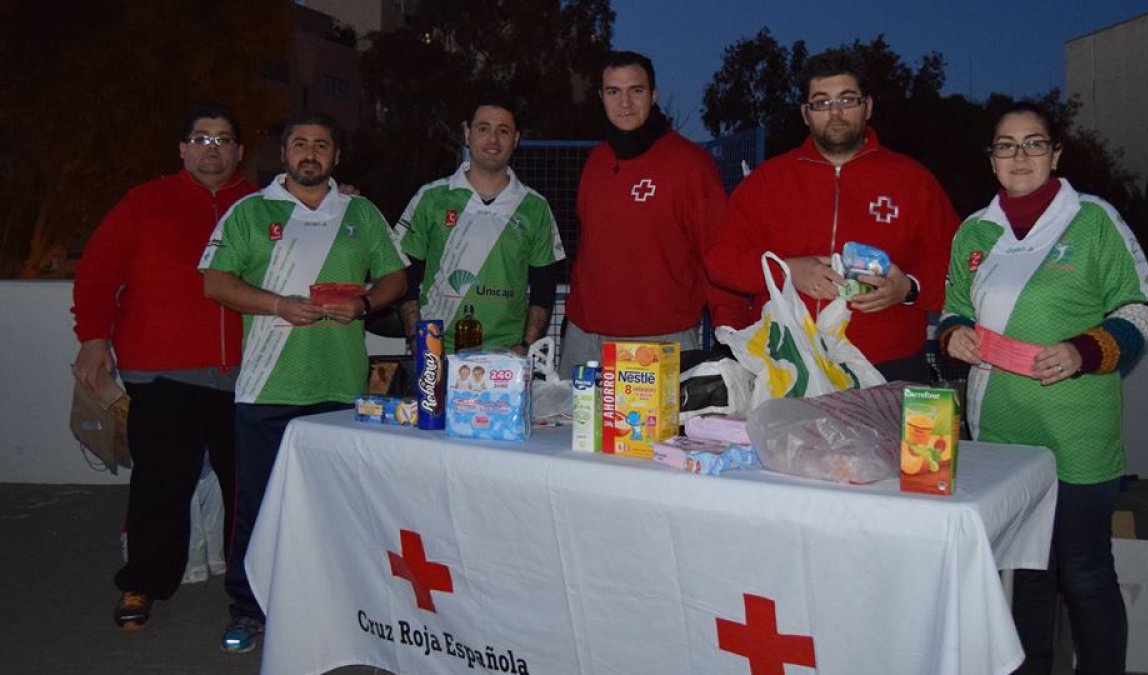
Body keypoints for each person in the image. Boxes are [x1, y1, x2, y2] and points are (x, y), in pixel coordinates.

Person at [939, 101, 1148, 674]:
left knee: (1085, 572)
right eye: (1006, 145)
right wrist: (955, 336)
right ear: (991, 159)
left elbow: (1140, 309)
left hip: (1078, 437)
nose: (1020, 156)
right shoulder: (974, 231)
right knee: (1023, 578)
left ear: (1056, 153)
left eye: (1034, 143)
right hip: (1001, 438)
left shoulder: (1093, 220)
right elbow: (953, 313)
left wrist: (1084, 350)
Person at [199, 111, 408, 654]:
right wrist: (277, 305)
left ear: (336, 156)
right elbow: (215, 282)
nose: (310, 153)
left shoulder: (361, 211)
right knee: (258, 509)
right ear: (284, 153)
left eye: (322, 144)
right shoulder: (251, 211)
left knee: (337, 509)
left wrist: (363, 304)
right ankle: (248, 609)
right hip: (267, 390)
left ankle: (337, 611)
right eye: (299, 144)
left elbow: (396, 277)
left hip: (341, 389)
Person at [71, 104, 254, 631]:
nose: (212, 149)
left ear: (240, 151)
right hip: (164, 371)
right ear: (182, 148)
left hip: (249, 373)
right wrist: (92, 338)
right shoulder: (144, 202)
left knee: (249, 485)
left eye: (224, 139)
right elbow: (97, 273)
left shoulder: (265, 204)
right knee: (160, 484)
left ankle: (256, 584)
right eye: (201, 138)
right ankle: (143, 581)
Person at [704, 49, 960, 383]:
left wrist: (909, 288)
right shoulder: (767, 182)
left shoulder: (912, 180)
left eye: (847, 99)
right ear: (805, 113)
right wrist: (788, 270)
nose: (835, 112)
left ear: (867, 106)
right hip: (788, 367)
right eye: (821, 102)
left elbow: (956, 263)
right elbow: (721, 261)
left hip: (888, 366)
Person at [559, 50, 751, 376]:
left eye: (636, 90)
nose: (625, 103)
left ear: (653, 94)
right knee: (569, 428)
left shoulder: (690, 164)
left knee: (658, 430)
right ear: (601, 97)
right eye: (613, 92)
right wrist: (572, 317)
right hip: (585, 339)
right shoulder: (596, 162)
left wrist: (729, 331)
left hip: (660, 340)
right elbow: (590, 248)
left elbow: (718, 253)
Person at [395, 97, 565, 354]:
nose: (493, 139)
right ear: (467, 134)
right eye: (483, 128)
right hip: (437, 350)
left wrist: (526, 346)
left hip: (506, 356)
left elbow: (544, 286)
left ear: (516, 139)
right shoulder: (431, 198)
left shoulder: (535, 206)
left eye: (503, 131)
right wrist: (416, 338)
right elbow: (403, 273)